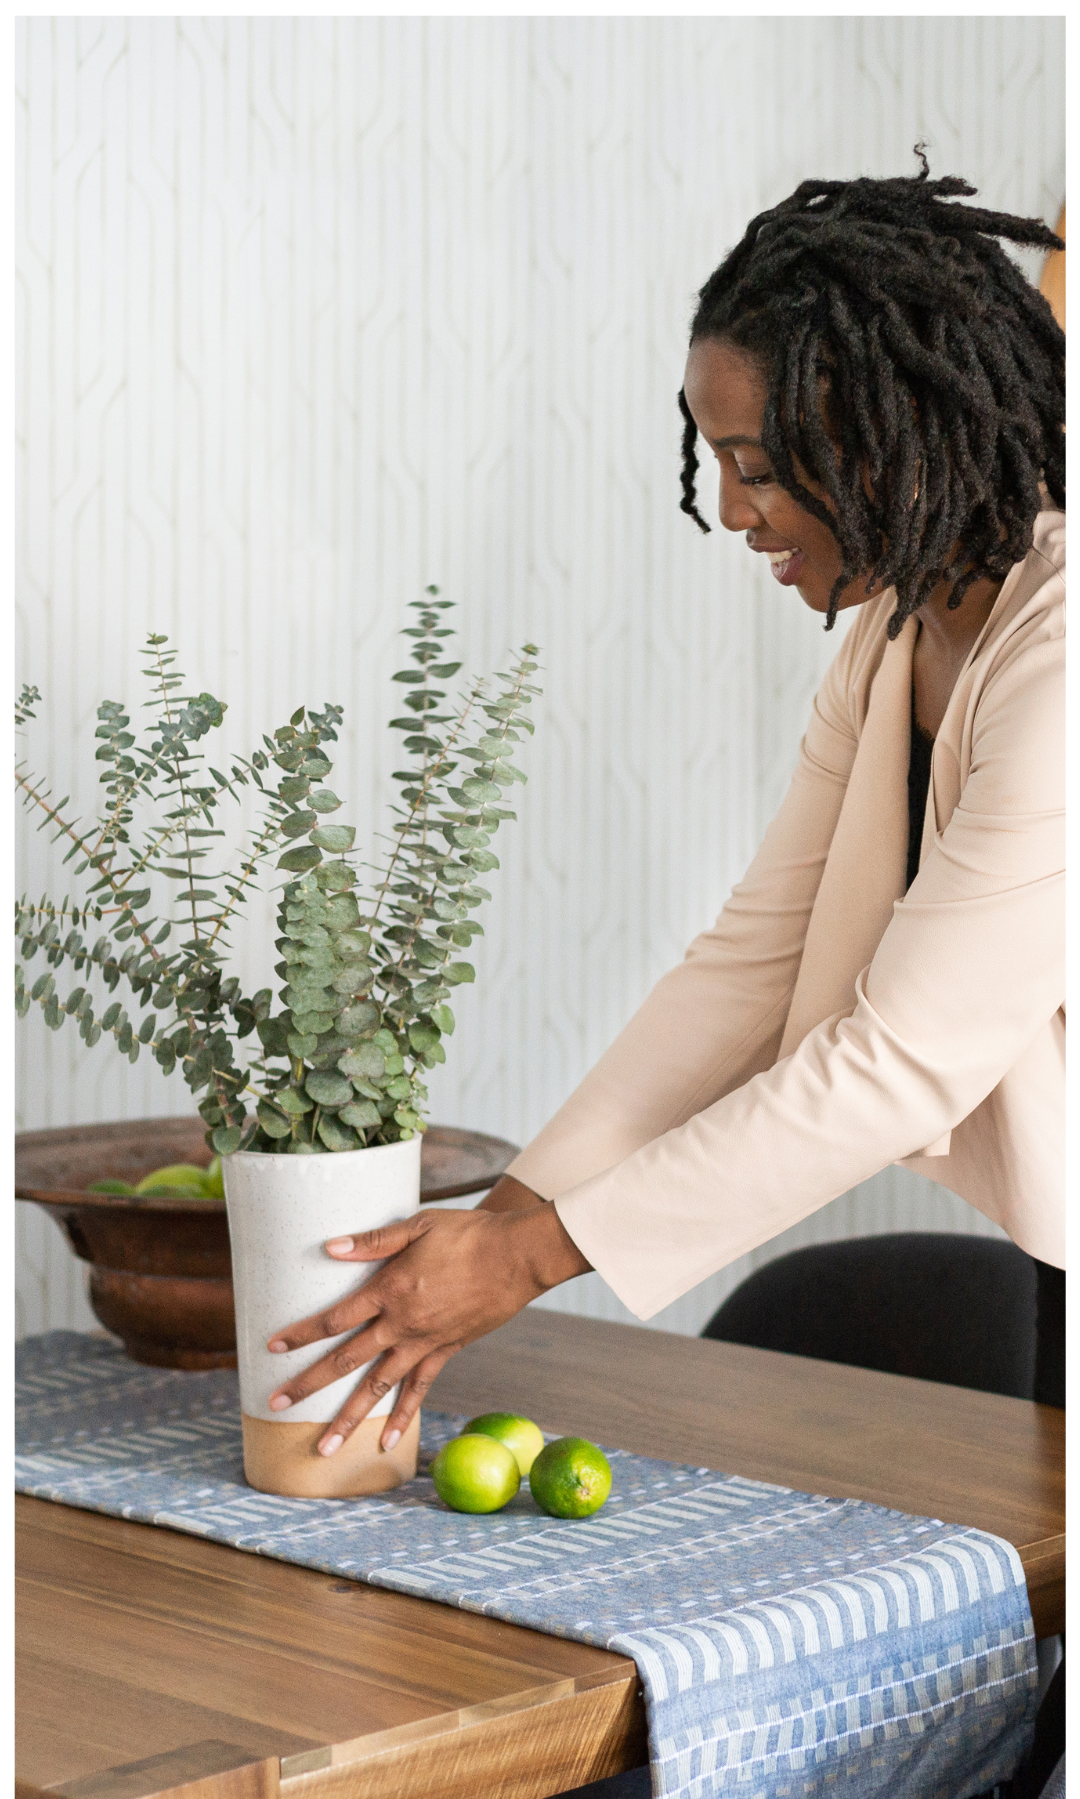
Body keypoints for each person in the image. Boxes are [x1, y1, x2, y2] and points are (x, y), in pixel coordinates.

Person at [265, 156, 1065, 1454]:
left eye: (756, 463)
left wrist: (525, 1263)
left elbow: (899, 1062)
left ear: (888, 429)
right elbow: (752, 960)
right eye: (719, 460)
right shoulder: (895, 635)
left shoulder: (1063, 658)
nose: (735, 510)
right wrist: (507, 1217)